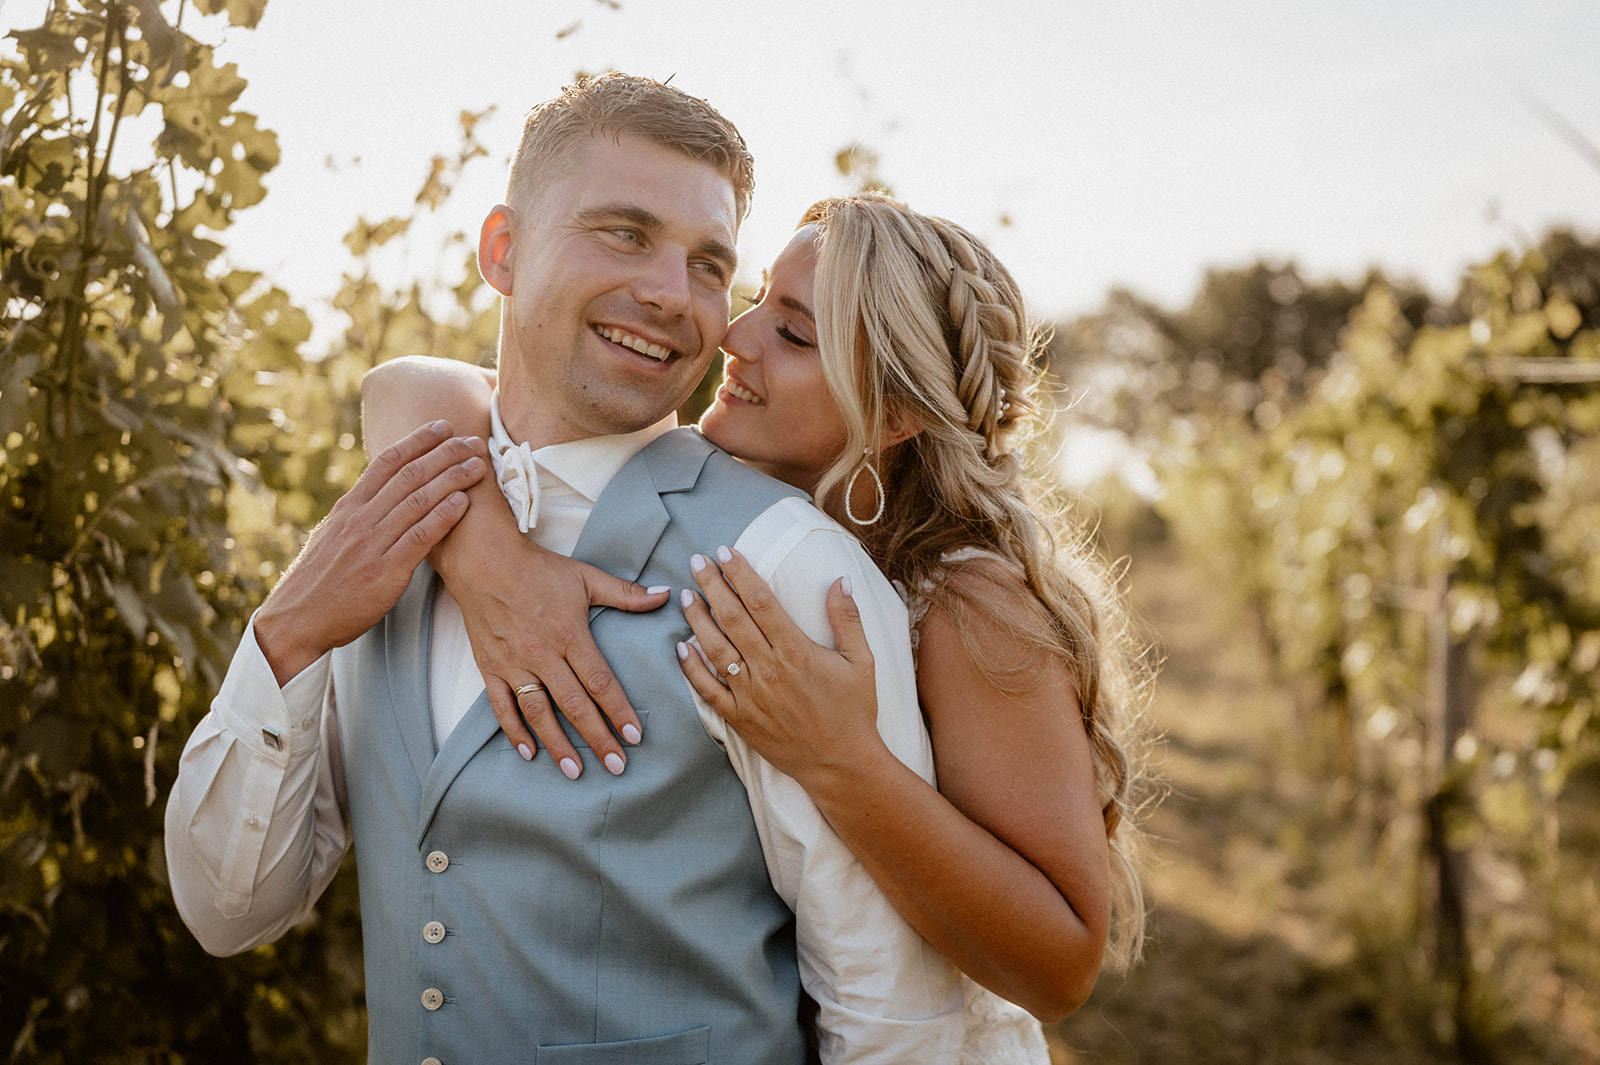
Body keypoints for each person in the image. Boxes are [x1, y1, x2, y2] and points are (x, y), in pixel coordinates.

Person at [165, 75, 967, 1065]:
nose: (673, 295)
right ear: (502, 251)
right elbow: (228, 910)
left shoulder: (787, 569)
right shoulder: (387, 525)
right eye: (624, 233)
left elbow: (894, 1008)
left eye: (710, 265)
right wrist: (285, 637)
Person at [363, 193, 1155, 1063]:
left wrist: (842, 761)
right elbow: (412, 386)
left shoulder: (970, 603)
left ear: (893, 416)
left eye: (794, 334)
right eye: (755, 303)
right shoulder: (730, 519)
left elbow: (1062, 964)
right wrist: (488, 560)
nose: (734, 341)